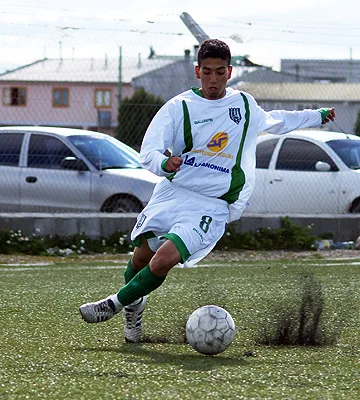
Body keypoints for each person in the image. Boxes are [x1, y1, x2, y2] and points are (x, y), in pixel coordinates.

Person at [79, 39, 336, 343]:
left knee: (162, 260)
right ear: (197, 71)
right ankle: (135, 310)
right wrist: (165, 163)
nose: (213, 80)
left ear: (229, 72)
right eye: (207, 72)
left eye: (220, 72)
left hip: (213, 204)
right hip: (174, 193)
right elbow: (148, 150)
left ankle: (113, 304)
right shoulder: (179, 107)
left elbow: (277, 120)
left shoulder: (243, 105)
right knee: (139, 260)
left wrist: (316, 115)